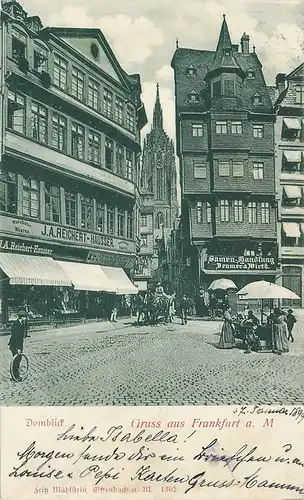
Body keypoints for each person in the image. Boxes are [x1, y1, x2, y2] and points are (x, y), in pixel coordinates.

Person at [8, 311, 27, 381]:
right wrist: (18, 348)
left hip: (19, 344)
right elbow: (15, 337)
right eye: (25, 317)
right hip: (15, 345)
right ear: (21, 317)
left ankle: (15, 375)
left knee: (18, 359)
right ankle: (16, 376)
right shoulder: (16, 324)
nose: (26, 318)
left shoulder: (21, 323)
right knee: (16, 360)